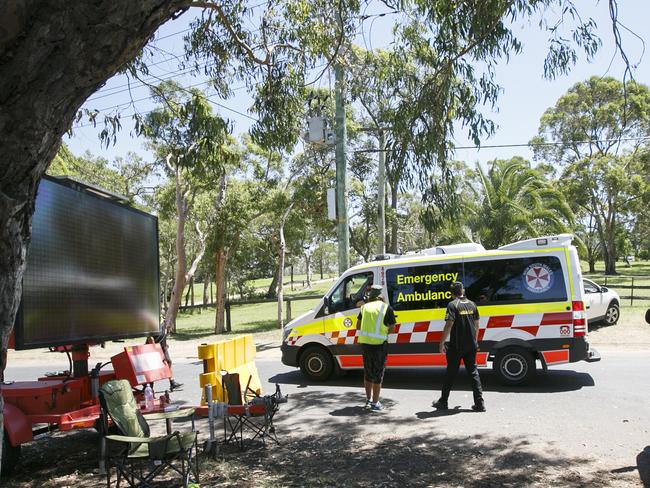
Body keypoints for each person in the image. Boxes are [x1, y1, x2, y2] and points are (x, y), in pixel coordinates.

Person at [433, 281, 485, 412]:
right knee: (473, 373)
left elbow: (449, 325)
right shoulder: (472, 304)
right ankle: (480, 404)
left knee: (450, 373)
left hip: (456, 346)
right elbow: (477, 325)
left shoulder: (452, 305)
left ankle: (443, 401)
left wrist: (441, 343)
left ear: (451, 294)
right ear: (463, 291)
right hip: (471, 345)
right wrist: (475, 341)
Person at [356, 284, 397, 412]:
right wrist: (383, 332)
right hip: (380, 345)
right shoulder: (386, 308)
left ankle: (368, 400)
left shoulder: (364, 308)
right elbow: (392, 327)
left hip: (366, 345)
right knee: (378, 374)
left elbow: (358, 326)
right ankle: (375, 403)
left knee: (368, 372)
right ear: (380, 296)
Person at [146, 325, 183, 391]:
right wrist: (155, 350)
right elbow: (150, 337)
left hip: (163, 346)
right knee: (153, 367)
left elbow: (163, 334)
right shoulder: (152, 323)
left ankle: (172, 383)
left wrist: (165, 344)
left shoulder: (162, 322)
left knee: (168, 362)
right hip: (153, 348)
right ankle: (149, 387)